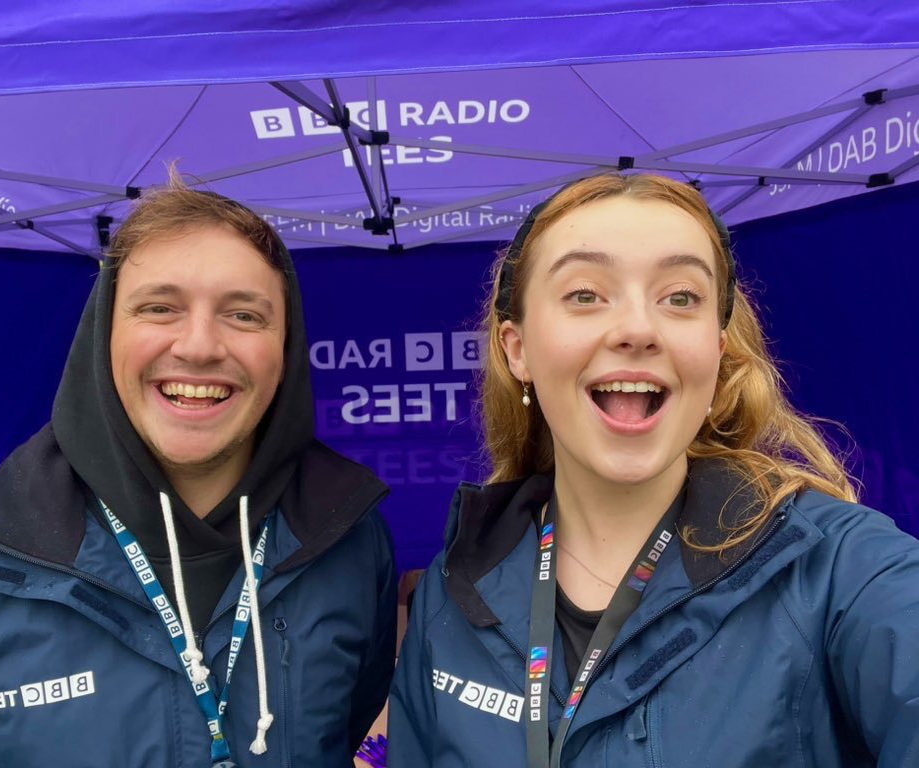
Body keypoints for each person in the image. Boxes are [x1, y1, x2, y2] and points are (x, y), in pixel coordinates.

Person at [388, 173, 919, 767]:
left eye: (681, 297)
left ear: (717, 349)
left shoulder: (840, 569)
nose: (638, 330)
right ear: (519, 349)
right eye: (585, 294)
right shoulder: (452, 592)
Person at [0, 173, 397, 767]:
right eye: (159, 308)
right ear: (103, 335)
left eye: (244, 315)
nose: (199, 346)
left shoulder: (348, 539)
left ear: (285, 350)